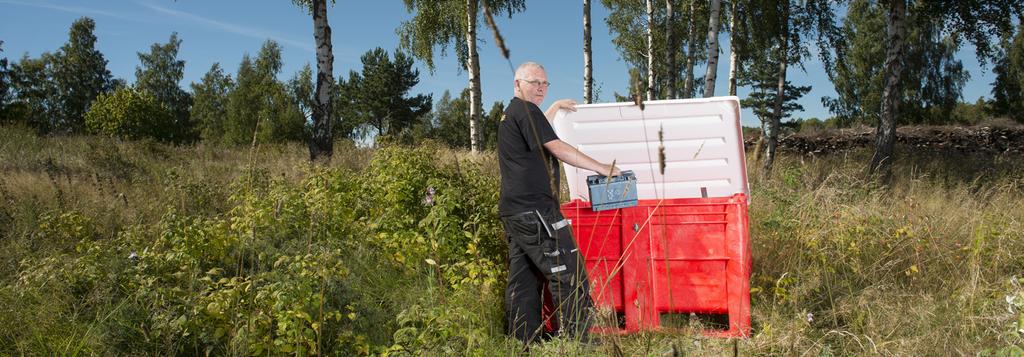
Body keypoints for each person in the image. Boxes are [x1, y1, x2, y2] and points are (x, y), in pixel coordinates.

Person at [498, 61, 620, 345]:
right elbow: (556, 146)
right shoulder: (526, 110)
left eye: (544, 83)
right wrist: (601, 168)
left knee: (524, 279)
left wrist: (552, 107)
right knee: (568, 270)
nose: (540, 88)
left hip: (515, 212)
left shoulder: (513, 113)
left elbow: (538, 128)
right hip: (536, 211)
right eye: (534, 82)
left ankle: (523, 342)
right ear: (518, 84)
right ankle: (580, 341)